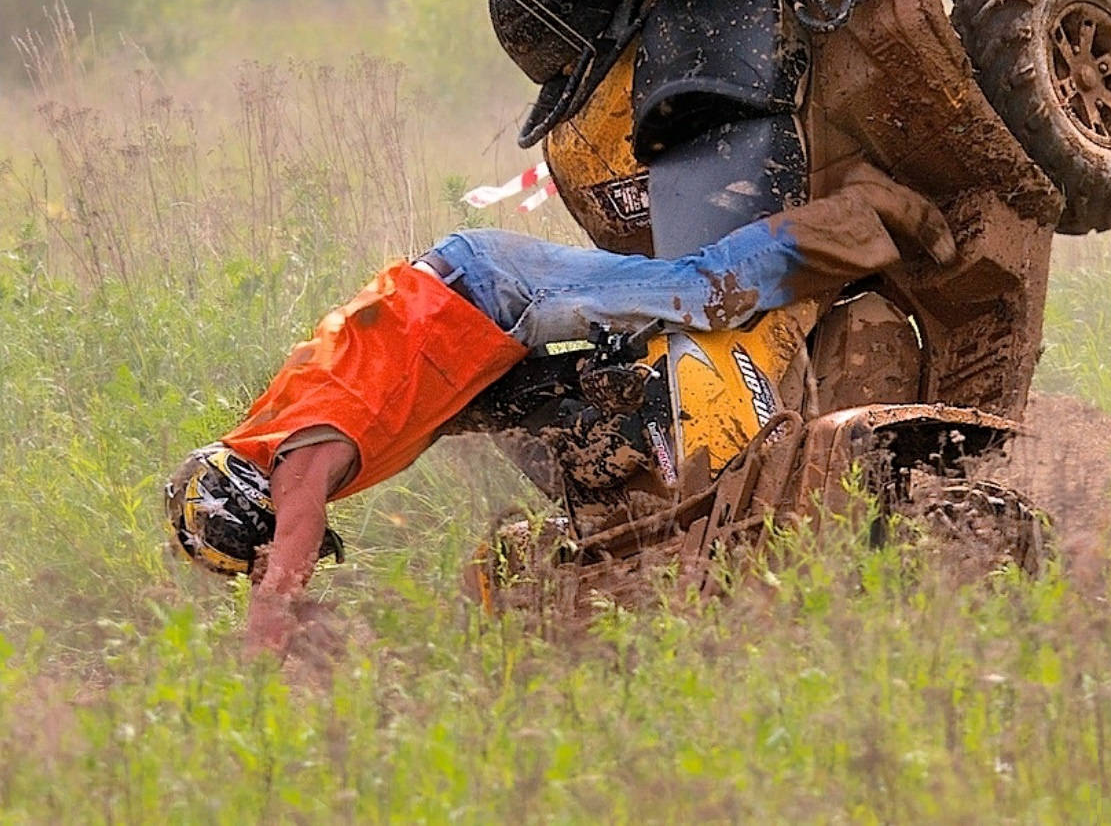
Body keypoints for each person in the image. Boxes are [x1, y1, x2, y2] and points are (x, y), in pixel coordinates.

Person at [165, 160, 956, 658]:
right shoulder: (287, 427)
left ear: (245, 509)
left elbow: (293, 537)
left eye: (256, 551)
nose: (274, 556)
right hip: (469, 328)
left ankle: (866, 209)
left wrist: (267, 626)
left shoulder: (294, 463)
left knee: (698, 288)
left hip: (486, 290)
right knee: (547, 409)